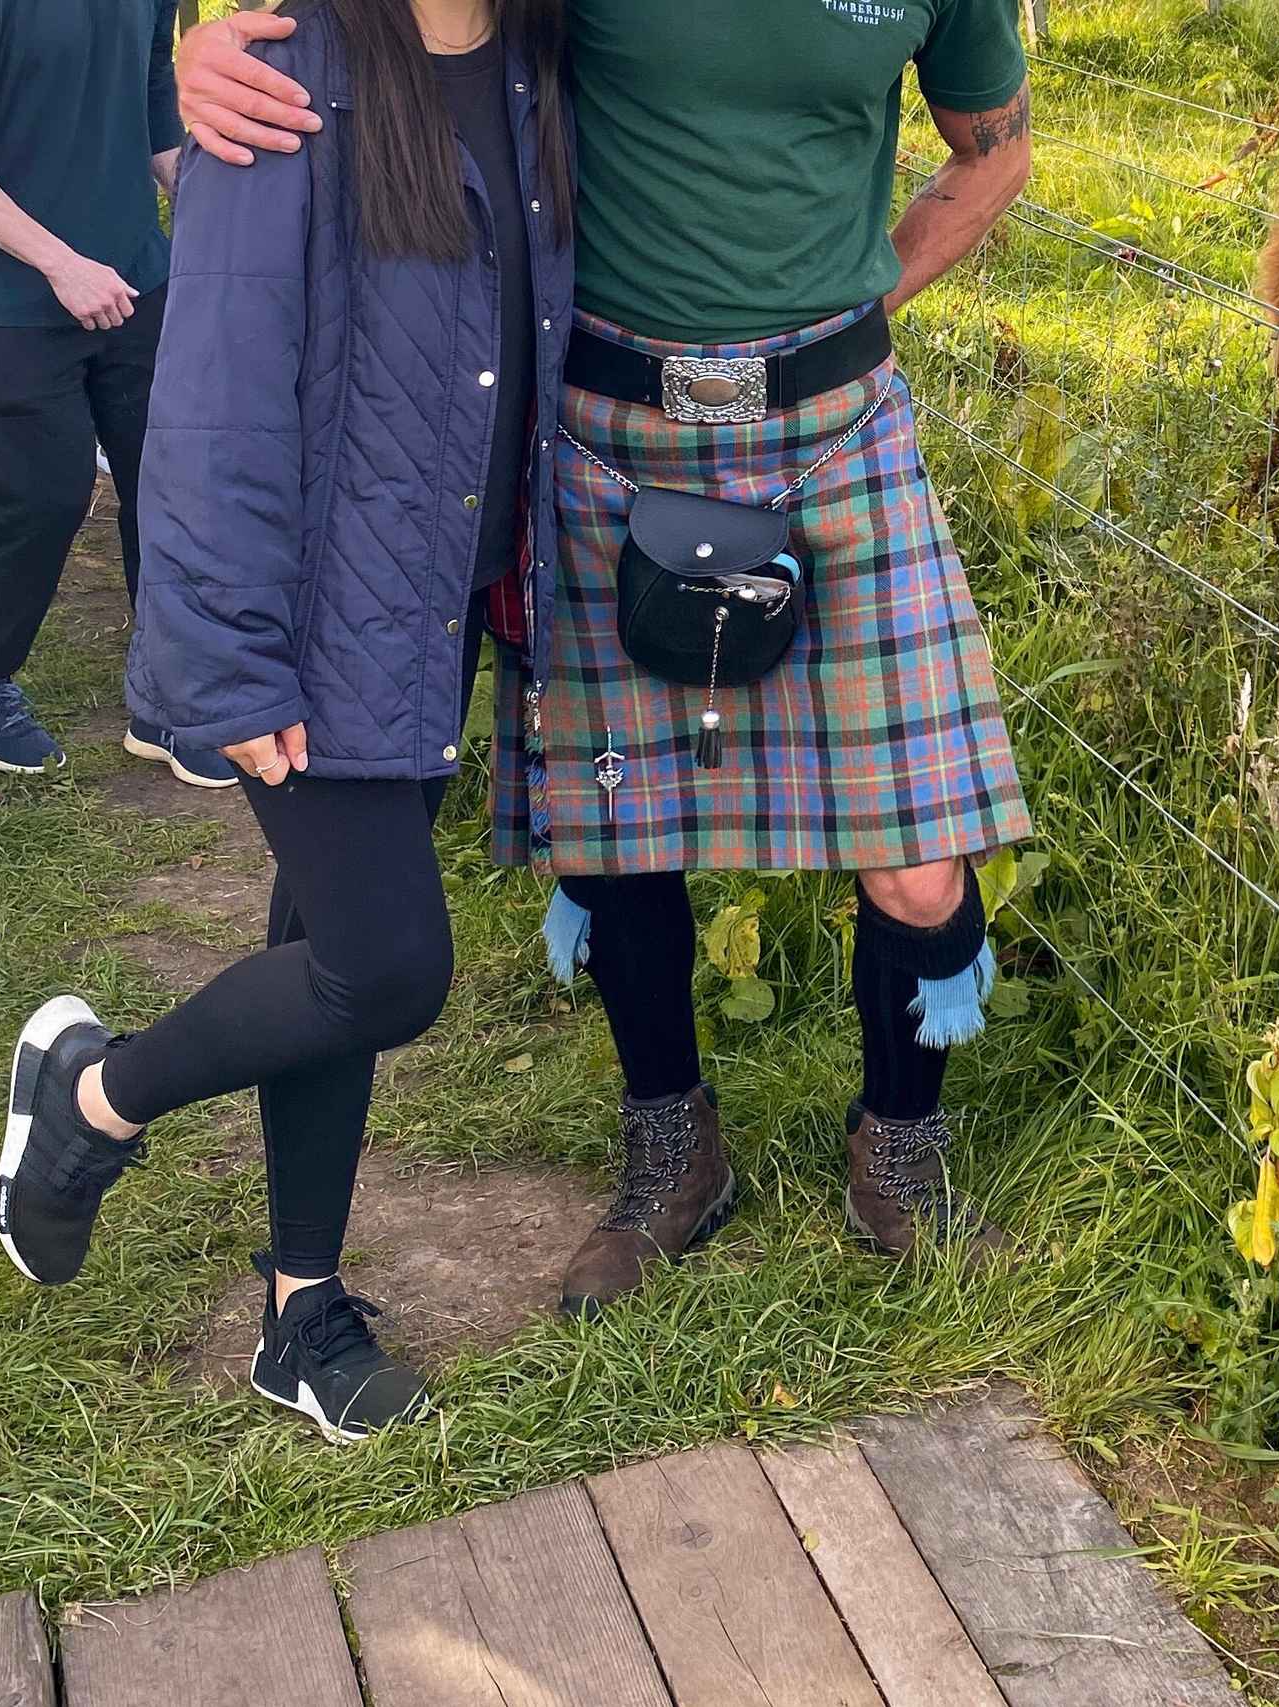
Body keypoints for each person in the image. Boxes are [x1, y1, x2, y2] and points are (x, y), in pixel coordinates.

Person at [178, 1, 1036, 1316]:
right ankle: (672, 1147)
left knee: (922, 861)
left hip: (837, 428)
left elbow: (996, 151)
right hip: (602, 422)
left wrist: (865, 300)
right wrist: (206, 51)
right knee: (618, 829)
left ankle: (901, 1154)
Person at [0, 0, 574, 1441]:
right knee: (388, 968)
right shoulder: (287, 73)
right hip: (316, 619)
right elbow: (213, 390)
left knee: (325, 942)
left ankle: (297, 1315)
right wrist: (233, 665)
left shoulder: (544, 60)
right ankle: (93, 1095)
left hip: (436, 599)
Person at [0, 0, 231, 787]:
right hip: (8, 294)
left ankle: (166, 695)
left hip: (136, 273)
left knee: (169, 484)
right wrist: (61, 264)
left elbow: (150, 89)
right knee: (46, 495)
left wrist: (200, 191)